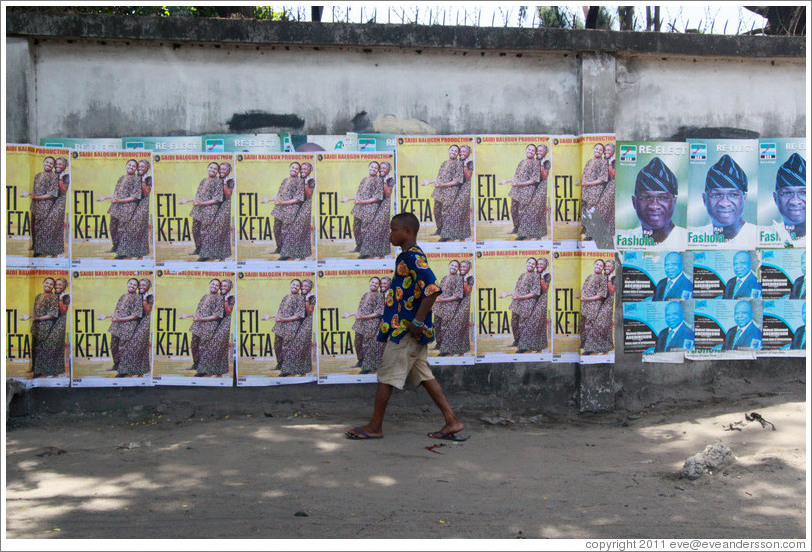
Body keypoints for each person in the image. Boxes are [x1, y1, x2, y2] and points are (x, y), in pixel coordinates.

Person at [344, 212, 465, 441]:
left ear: (407, 232)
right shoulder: (407, 257)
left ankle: (375, 426)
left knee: (386, 376)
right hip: (409, 330)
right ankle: (452, 421)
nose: (390, 234)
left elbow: (432, 289)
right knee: (425, 376)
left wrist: (417, 322)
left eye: (393, 229)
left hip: (406, 332)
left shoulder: (412, 257)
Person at [616, 157, 686, 248]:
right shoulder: (622, 239)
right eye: (647, 197)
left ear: (674, 201)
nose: (654, 206)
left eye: (663, 198)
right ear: (634, 202)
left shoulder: (685, 240)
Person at [697, 154, 756, 247]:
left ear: (744, 198)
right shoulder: (695, 237)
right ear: (704, 199)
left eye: (733, 195)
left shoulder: (756, 237)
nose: (724, 203)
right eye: (717, 195)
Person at [180, 279, 224, 376]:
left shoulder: (220, 298)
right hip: (198, 325)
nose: (214, 286)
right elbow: (198, 311)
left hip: (209, 326)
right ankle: (196, 364)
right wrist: (187, 315)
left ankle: (203, 370)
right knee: (194, 345)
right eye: (213, 284)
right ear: (209, 284)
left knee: (203, 347)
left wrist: (202, 319)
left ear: (219, 288)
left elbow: (217, 315)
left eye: (217, 285)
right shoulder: (205, 296)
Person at [98, 159, 141, 259]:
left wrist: (120, 201)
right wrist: (105, 197)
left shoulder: (137, 179)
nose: (131, 167)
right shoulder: (121, 178)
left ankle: (123, 252)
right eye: (129, 165)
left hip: (127, 207)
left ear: (136, 169)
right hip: (116, 207)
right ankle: (116, 247)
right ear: (126, 165)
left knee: (122, 230)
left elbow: (135, 197)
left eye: (133, 166)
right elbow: (116, 193)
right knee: (113, 228)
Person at [99, 279, 143, 375]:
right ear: (127, 284)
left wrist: (119, 319)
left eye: (135, 285)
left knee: (123, 349)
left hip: (128, 327)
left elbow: (136, 315)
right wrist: (106, 316)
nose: (132, 285)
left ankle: (124, 371)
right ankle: (117, 365)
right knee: (114, 346)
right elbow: (117, 312)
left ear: (137, 287)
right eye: (131, 283)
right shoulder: (123, 296)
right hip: (117, 326)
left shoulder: (138, 298)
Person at [181, 162, 224, 261]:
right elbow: (198, 196)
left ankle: (206, 254)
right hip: (198, 210)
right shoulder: (203, 180)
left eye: (215, 169)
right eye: (211, 168)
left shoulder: (218, 182)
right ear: (208, 168)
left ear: (217, 171)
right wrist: (187, 200)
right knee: (195, 230)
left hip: (209, 210)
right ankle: (199, 249)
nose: (212, 170)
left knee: (205, 232)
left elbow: (217, 199)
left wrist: (201, 203)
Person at [265, 162, 307, 260]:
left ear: (298, 171)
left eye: (297, 168)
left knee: (285, 231)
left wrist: (282, 202)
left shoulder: (300, 181)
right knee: (276, 229)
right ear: (289, 168)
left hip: (290, 210)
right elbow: (280, 195)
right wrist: (269, 200)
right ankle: (279, 248)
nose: (294, 169)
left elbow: (298, 199)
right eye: (293, 167)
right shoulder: (285, 180)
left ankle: (286, 254)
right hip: (280, 209)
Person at [263, 279, 306, 376]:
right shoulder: (286, 297)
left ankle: (287, 370)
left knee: (286, 348)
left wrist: (283, 319)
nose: (295, 286)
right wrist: (269, 316)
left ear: (300, 288)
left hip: (291, 326)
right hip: (280, 326)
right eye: (293, 284)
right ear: (290, 285)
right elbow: (280, 312)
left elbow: (299, 315)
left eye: (297, 285)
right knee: (277, 346)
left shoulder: (300, 298)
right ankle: (280, 364)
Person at [21, 278, 60, 378]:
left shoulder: (54, 297)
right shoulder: (38, 296)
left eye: (51, 284)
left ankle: (40, 371)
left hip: (45, 328)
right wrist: (28, 316)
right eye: (47, 283)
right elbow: (36, 311)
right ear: (43, 283)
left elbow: (52, 314)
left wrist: (37, 318)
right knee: (34, 348)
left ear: (53, 287)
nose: (48, 285)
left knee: (42, 350)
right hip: (36, 328)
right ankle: (34, 368)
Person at [344, 277, 385, 373]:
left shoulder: (379, 296)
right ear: (369, 282)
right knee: (357, 343)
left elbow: (379, 312)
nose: (374, 284)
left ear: (378, 286)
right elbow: (360, 310)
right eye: (372, 282)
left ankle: (367, 367)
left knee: (366, 345)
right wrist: (349, 314)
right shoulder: (365, 294)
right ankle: (361, 361)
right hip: (360, 323)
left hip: (371, 324)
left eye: (376, 283)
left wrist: (364, 317)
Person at [501, 258, 541, 353]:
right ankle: (517, 341)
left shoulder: (536, 276)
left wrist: (520, 297)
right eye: (529, 262)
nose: (531, 264)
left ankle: (524, 346)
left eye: (533, 264)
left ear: (535, 266)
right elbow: (517, 290)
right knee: (514, 323)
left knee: (523, 325)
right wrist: (507, 294)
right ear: (526, 263)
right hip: (517, 303)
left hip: (527, 304)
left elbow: (535, 293)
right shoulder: (522, 275)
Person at [423, 145, 464, 240]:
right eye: (452, 150)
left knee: (445, 213)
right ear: (449, 150)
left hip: (450, 192)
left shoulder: (458, 164)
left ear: (458, 154)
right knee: (436, 211)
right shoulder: (445, 162)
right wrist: (429, 182)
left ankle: (446, 235)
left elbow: (457, 181)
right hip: (439, 191)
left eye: (456, 151)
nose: (453, 152)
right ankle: (440, 229)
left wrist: (442, 185)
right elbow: (439, 177)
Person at [24, 157, 62, 257]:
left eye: (51, 163)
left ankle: (39, 250)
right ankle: (35, 245)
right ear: (43, 162)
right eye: (47, 162)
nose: (48, 164)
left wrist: (37, 197)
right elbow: (37, 191)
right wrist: (28, 193)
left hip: (45, 206)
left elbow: (52, 194)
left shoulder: (54, 176)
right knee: (33, 227)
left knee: (41, 228)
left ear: (53, 166)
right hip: (34, 206)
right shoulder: (38, 175)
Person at [766, 152, 805, 247]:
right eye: (787, 193)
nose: (795, 201)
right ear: (775, 198)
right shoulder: (767, 235)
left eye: (804, 192)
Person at [499, 145, 539, 238]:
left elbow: (534, 180)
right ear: (526, 150)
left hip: (527, 191)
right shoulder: (522, 162)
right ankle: (516, 228)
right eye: (529, 149)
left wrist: (519, 184)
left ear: (535, 153)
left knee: (522, 212)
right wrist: (506, 181)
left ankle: (523, 233)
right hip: (516, 191)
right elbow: (516, 177)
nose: (530, 151)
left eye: (533, 150)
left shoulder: (536, 163)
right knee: (513, 210)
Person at [199, 162, 234, 262]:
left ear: (228, 171)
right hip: (216, 207)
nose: (221, 171)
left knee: (219, 231)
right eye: (220, 169)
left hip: (224, 209)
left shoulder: (230, 180)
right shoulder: (217, 180)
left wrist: (224, 183)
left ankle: (218, 256)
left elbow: (227, 195)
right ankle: (215, 255)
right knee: (217, 232)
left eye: (224, 169)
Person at [118, 278, 153, 377]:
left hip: (144, 324)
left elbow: (147, 311)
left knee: (136, 346)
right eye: (140, 285)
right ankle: (137, 371)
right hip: (136, 323)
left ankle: (136, 371)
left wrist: (145, 299)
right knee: (139, 348)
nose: (141, 287)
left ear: (148, 287)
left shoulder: (149, 296)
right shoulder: (138, 296)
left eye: (144, 285)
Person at [117, 159, 152, 259]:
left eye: (143, 167)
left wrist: (143, 181)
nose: (140, 168)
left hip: (143, 206)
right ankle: (133, 252)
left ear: (147, 168)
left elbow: (145, 193)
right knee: (135, 229)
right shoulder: (136, 177)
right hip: (134, 204)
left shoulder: (148, 178)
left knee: (135, 228)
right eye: (139, 166)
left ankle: (136, 253)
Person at [433, 260, 466, 356]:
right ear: (449, 265)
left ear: (458, 269)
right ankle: (439, 344)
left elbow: (457, 296)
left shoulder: (459, 279)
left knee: (445, 327)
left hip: (449, 307)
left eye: (456, 266)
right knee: (437, 325)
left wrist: (442, 299)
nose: (454, 267)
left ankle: (446, 349)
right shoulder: (445, 278)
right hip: (439, 306)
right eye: (452, 265)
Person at [287, 278, 316, 376]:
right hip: (298, 322)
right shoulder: (299, 296)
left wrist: (307, 299)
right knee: (302, 347)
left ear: (310, 288)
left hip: (306, 324)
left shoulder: (311, 297)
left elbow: (309, 311)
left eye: (306, 286)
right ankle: (304, 368)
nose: (303, 287)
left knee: (300, 345)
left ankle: (299, 370)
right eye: (302, 285)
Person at [580, 143, 609, 240]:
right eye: (596, 148)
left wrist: (588, 183)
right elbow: (584, 174)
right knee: (584, 209)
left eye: (601, 150)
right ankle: (585, 227)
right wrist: (583, 183)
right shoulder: (589, 161)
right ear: (593, 149)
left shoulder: (603, 162)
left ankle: (590, 234)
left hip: (595, 189)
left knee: (592, 210)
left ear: (602, 152)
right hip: (585, 189)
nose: (598, 150)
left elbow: (602, 179)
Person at [580, 259, 608, 354]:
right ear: (593, 265)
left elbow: (601, 295)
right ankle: (585, 345)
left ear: (603, 268)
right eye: (597, 264)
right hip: (584, 305)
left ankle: (591, 348)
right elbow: (584, 288)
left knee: (591, 326)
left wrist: (587, 298)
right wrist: (582, 296)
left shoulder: (603, 278)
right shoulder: (589, 276)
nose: (598, 267)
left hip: (594, 305)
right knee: (583, 326)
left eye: (601, 266)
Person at [594, 259, 616, 352]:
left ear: (613, 268)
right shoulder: (602, 276)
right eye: (605, 266)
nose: (606, 268)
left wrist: (610, 280)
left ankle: (605, 347)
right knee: (598, 325)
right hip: (599, 303)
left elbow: (611, 291)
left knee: (604, 325)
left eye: (609, 266)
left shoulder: (614, 277)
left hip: (607, 304)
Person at [596, 143, 616, 235]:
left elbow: (613, 176)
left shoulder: (613, 161)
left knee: (604, 207)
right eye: (606, 149)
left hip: (612, 185)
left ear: (613, 151)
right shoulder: (603, 160)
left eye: (609, 150)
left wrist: (609, 164)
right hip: (603, 185)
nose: (607, 151)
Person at [533, 257, 551, 352]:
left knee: (539, 323)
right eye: (538, 263)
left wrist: (542, 277)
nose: (539, 265)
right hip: (532, 301)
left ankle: (539, 347)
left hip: (541, 302)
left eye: (542, 263)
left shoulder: (547, 275)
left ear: (545, 266)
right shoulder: (533, 273)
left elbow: (544, 289)